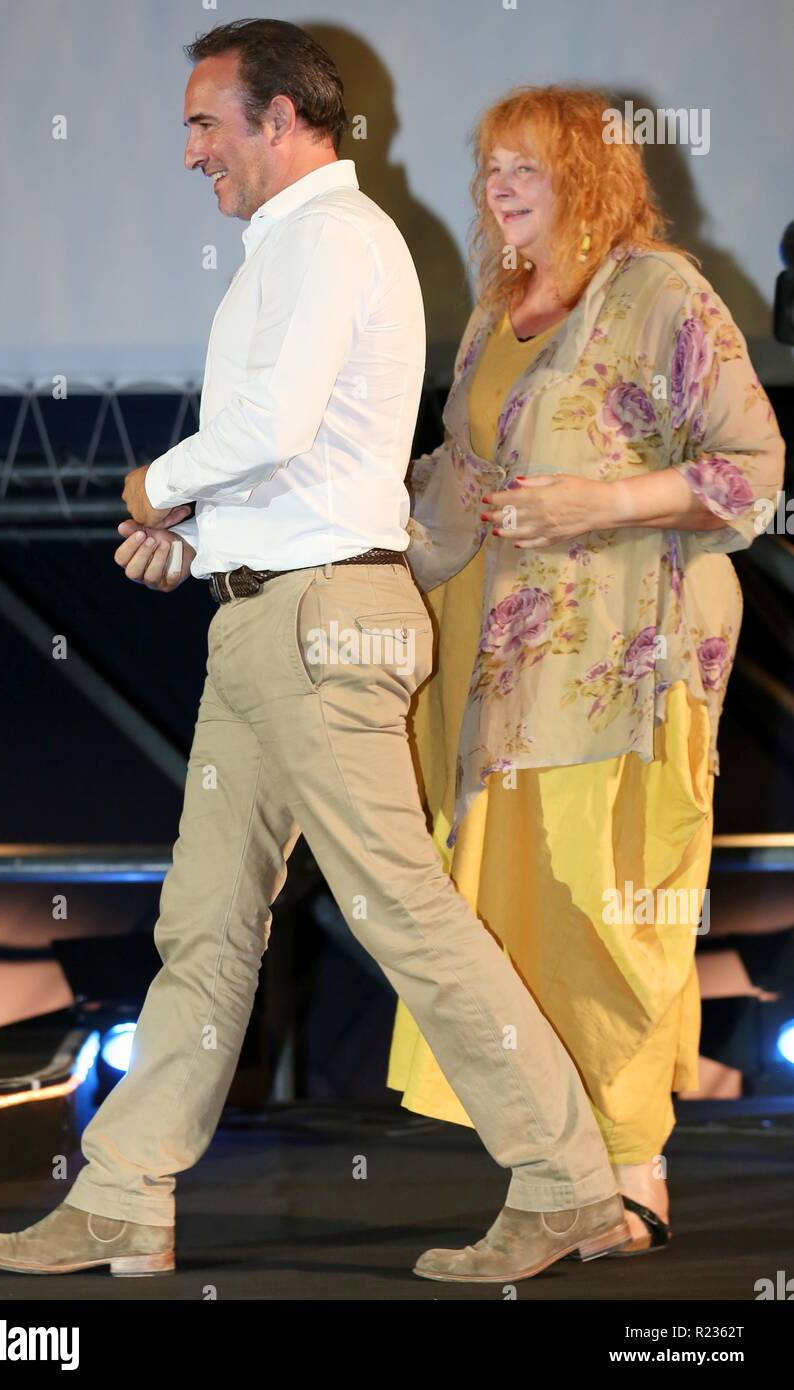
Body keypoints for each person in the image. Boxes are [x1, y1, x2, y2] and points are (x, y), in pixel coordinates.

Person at [0, 23, 630, 1287]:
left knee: (403, 914)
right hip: (272, 615)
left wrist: (153, 483)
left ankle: (567, 1184)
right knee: (203, 924)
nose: (191, 151)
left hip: (324, 626)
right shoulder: (298, 246)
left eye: (208, 123)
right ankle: (121, 1197)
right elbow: (307, 459)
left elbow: (273, 421)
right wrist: (199, 536)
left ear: (282, 121)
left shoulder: (329, 235)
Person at [388, 84, 786, 1258]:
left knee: (611, 915)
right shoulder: (490, 313)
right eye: (486, 166)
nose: (495, 185)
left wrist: (600, 500)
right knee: (512, 925)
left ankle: (633, 1173)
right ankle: (564, 1175)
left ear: (591, 175)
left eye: (525, 165)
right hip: (503, 685)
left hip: (625, 665)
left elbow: (752, 468)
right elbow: (452, 489)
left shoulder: (660, 290)